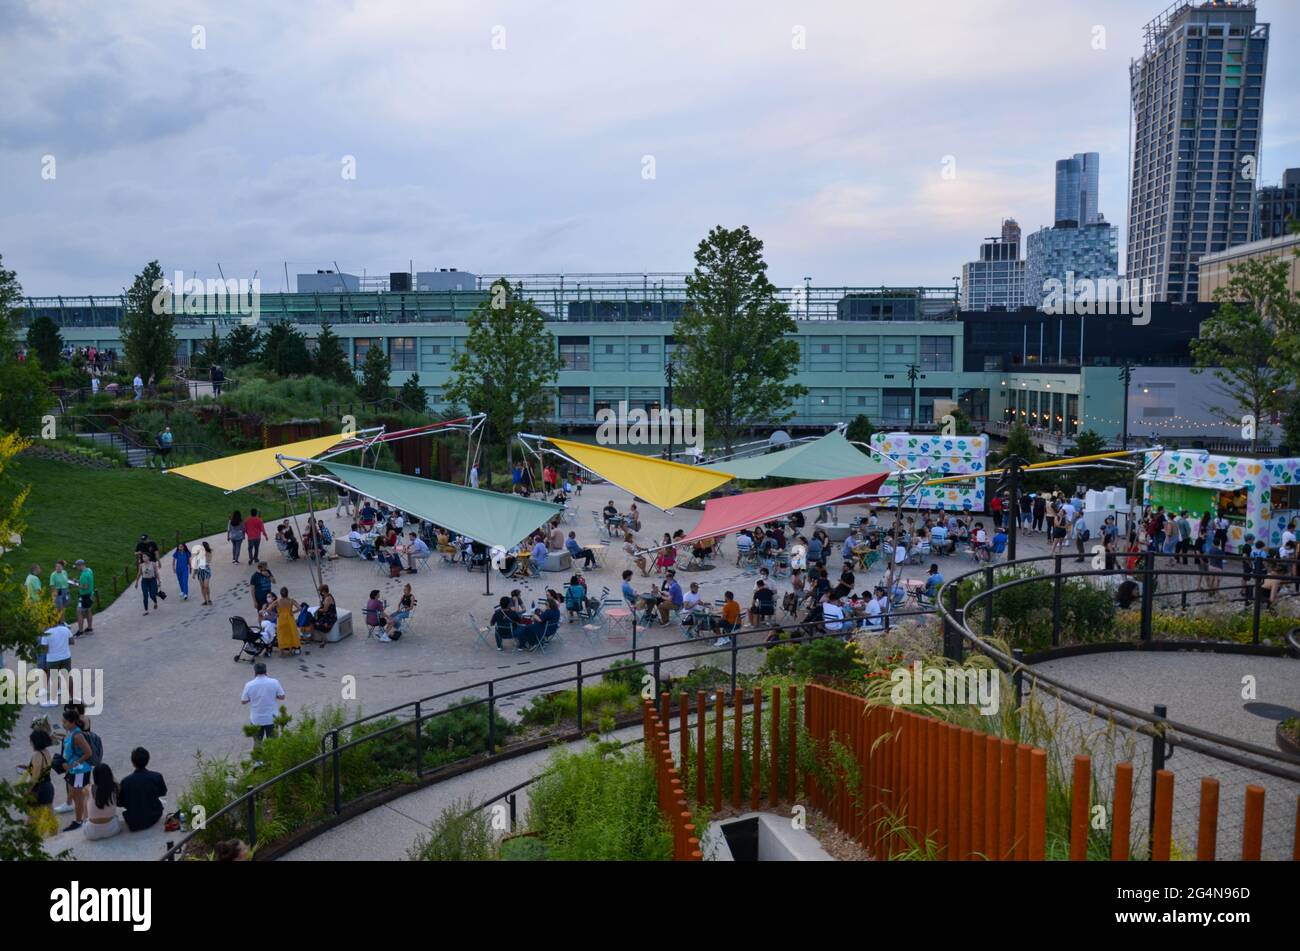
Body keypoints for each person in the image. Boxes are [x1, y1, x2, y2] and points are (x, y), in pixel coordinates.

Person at [58, 708, 95, 832]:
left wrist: (74, 764)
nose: (63, 724)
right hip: (74, 771)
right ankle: (84, 817)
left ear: (73, 722)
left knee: (78, 796)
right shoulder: (70, 732)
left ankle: (79, 821)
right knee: (76, 794)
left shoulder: (78, 735)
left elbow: (88, 753)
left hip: (79, 771)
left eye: (65, 722)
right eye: (63, 722)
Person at [117, 747, 167, 833]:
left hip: (133, 821)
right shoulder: (157, 776)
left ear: (133, 762)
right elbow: (163, 792)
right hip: (154, 816)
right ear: (148, 760)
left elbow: (120, 802)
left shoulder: (125, 781)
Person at [241, 662, 285, 743]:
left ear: (255, 672)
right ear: (266, 671)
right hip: (272, 719)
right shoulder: (274, 682)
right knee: (274, 744)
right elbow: (282, 697)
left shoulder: (249, 685)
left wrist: (253, 698)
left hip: (256, 720)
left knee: (258, 744)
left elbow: (243, 701)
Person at [19, 730, 56, 818]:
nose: (30, 743)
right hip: (48, 786)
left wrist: (27, 791)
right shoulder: (46, 752)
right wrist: (28, 767)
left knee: (32, 816)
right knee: (50, 817)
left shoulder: (37, 756)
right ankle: (56, 832)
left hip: (39, 789)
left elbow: (35, 778)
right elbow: (43, 768)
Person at [83, 763, 122, 840]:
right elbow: (115, 782)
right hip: (112, 830)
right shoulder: (116, 787)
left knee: (86, 798)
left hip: (91, 833)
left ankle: (85, 819)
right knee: (115, 817)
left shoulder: (89, 788)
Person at [275, 587, 302, 656]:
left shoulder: (277, 601)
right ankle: (290, 652)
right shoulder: (291, 600)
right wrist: (293, 612)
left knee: (281, 635)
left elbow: (268, 609)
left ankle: (281, 652)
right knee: (290, 634)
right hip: (290, 619)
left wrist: (277, 613)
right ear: (287, 593)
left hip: (281, 619)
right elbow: (300, 608)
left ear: (280, 594)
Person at [70, 559, 94, 634]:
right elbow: (87, 582)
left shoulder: (83, 574)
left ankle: (80, 631)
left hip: (84, 596)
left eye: (77, 566)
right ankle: (90, 628)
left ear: (81, 565)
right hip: (90, 595)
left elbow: (85, 586)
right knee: (88, 611)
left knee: (79, 613)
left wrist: (75, 585)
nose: (77, 568)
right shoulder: (89, 570)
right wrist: (77, 581)